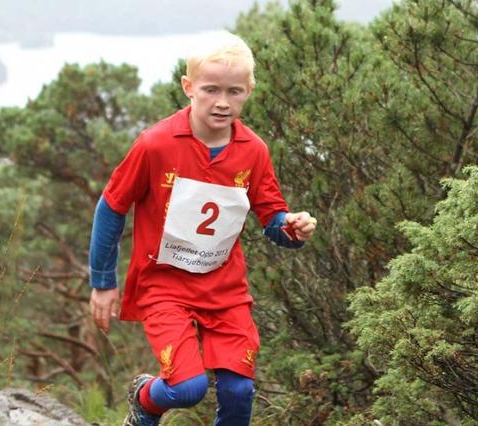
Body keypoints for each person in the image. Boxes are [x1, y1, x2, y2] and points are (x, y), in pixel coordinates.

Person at [88, 33, 317, 426]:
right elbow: (112, 207)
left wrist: (291, 227)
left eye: (235, 91)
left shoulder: (254, 151)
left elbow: (272, 218)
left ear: (249, 91)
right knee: (186, 389)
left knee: (238, 392)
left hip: (224, 289)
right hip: (164, 286)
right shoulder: (156, 144)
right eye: (211, 89)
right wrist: (103, 281)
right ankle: (145, 400)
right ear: (188, 87)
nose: (223, 102)